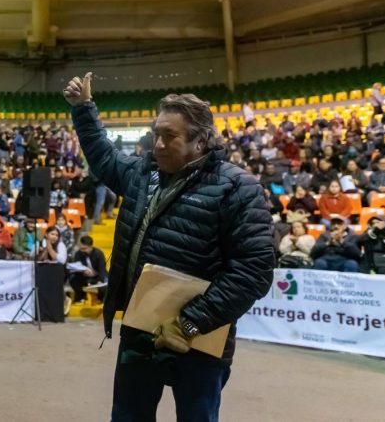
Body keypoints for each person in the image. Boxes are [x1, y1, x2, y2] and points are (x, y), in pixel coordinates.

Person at [64, 73, 274, 421]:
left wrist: (190, 322)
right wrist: (83, 108)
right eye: (156, 134)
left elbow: (254, 271)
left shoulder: (238, 188)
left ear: (201, 141)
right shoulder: (142, 174)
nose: (158, 145)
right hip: (139, 331)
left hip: (198, 339)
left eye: (170, 136)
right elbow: (103, 156)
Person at [68, 235, 107, 302]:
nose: (83, 251)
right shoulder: (78, 253)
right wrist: (83, 271)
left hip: (97, 276)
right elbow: (76, 267)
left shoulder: (98, 254)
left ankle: (101, 299)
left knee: (105, 282)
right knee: (73, 280)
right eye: (82, 248)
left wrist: (100, 280)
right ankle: (81, 297)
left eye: (85, 248)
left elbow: (102, 269)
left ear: (91, 246)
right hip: (84, 276)